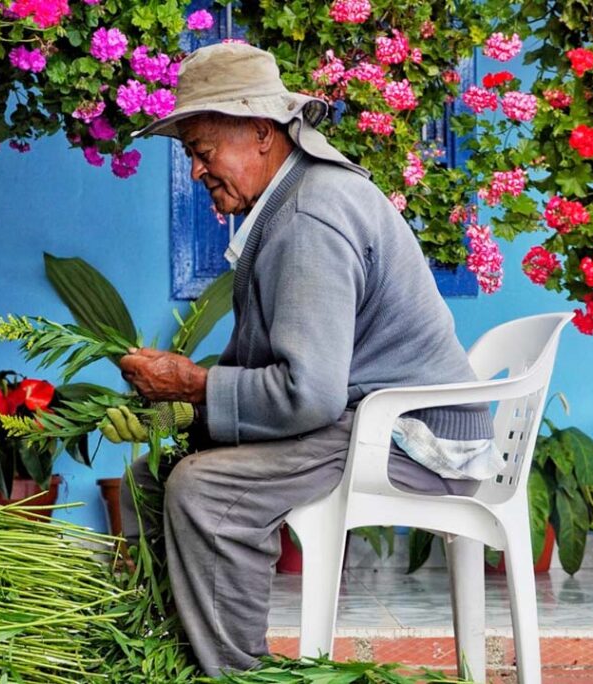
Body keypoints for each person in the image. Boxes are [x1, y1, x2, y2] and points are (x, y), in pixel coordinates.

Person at [105, 42, 506, 677]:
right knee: (154, 478)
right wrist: (193, 404)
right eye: (191, 157)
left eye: (204, 153)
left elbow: (307, 393)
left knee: (203, 492)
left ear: (262, 132)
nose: (197, 172)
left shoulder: (309, 214)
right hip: (369, 420)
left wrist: (190, 384)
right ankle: (177, 659)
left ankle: (237, 673)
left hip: (414, 439)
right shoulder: (293, 201)